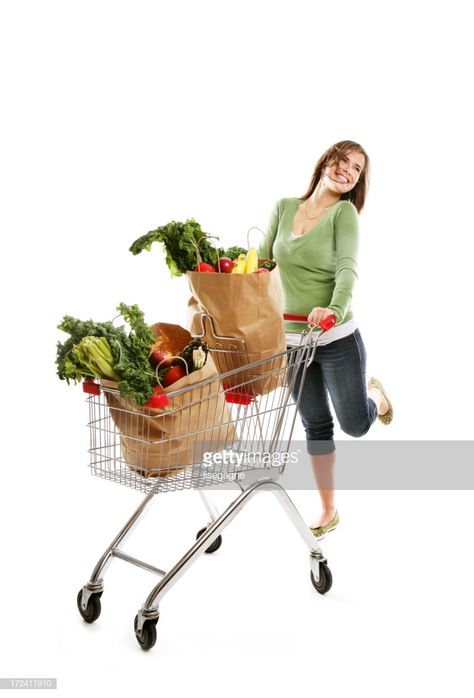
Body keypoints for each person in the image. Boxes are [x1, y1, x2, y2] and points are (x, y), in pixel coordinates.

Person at [257, 140, 393, 538]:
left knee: (354, 425)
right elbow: (262, 264)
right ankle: (328, 509)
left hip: (334, 337)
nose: (347, 171)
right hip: (292, 342)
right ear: (326, 160)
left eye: (356, 169)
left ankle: (377, 399)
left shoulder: (343, 213)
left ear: (356, 182)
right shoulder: (283, 207)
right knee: (315, 424)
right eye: (343, 161)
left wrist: (332, 309)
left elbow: (348, 270)